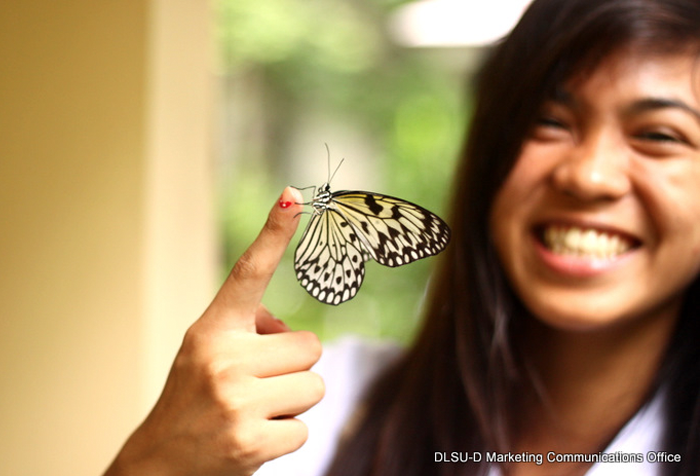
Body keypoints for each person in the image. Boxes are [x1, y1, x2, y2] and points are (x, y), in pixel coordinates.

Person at [103, 0, 700, 475]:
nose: (587, 175)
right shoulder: (314, 410)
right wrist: (156, 464)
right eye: (547, 122)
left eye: (662, 135)